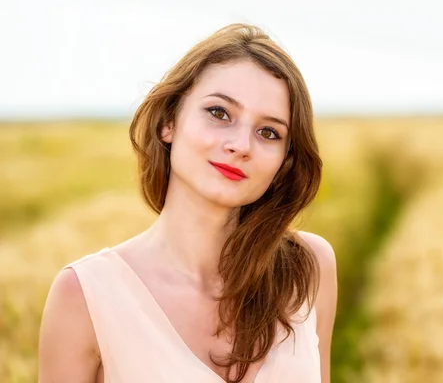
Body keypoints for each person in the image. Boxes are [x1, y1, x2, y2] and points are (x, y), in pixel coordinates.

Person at [38, 23, 338, 383]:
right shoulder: (84, 295)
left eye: (268, 132)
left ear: (284, 160)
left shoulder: (310, 269)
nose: (241, 145)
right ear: (169, 121)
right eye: (219, 113)